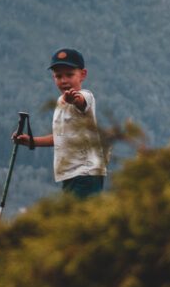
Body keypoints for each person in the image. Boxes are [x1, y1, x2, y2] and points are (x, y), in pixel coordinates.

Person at [14, 48, 107, 198]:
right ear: (53, 78)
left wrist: (74, 100)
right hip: (70, 174)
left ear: (83, 75)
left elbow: (81, 102)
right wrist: (32, 141)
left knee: (81, 218)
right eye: (58, 76)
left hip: (85, 173)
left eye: (69, 75)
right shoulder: (60, 101)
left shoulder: (86, 95)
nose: (64, 80)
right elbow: (61, 136)